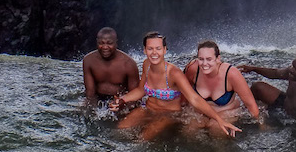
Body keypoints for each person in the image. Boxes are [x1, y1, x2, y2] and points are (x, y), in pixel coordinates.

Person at [110, 32, 241, 139]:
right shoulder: (146, 65)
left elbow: (194, 98)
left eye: (158, 48)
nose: (154, 52)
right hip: (148, 109)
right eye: (150, 49)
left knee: (143, 139)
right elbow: (140, 90)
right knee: (120, 130)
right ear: (144, 50)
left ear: (165, 50)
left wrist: (219, 119)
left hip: (168, 115)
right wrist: (122, 100)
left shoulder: (174, 73)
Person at [183, 40, 259, 135]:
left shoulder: (231, 74)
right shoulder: (193, 69)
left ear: (218, 58)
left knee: (216, 129)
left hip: (225, 112)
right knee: (189, 131)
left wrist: (260, 125)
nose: (204, 63)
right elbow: (184, 91)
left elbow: (250, 104)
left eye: (209, 59)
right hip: (199, 112)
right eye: (201, 59)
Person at [82, 27, 140, 104]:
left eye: (109, 43)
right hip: (98, 97)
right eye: (101, 43)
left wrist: (121, 104)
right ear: (97, 42)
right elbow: (90, 93)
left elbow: (135, 96)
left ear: (116, 43)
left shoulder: (129, 64)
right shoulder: (88, 60)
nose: (105, 47)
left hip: (121, 99)